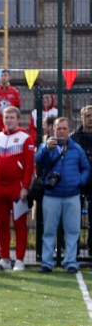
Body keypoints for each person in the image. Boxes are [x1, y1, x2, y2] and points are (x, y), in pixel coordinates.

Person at [0, 106, 35, 271]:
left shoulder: (25, 138)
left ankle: (19, 260)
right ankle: (4, 259)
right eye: (6, 118)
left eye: (12, 117)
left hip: (17, 186)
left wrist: (25, 187)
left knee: (20, 224)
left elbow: (29, 166)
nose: (9, 120)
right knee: (1, 224)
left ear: (18, 119)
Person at [37, 117, 89, 273]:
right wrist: (46, 148)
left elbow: (86, 168)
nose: (61, 131)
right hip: (51, 195)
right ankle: (47, 263)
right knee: (49, 231)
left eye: (64, 128)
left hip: (72, 195)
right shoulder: (46, 146)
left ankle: (71, 262)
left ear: (69, 130)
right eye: (58, 128)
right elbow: (38, 159)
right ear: (53, 130)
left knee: (73, 231)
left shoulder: (76, 148)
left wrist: (80, 181)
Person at [72, 107, 92, 256]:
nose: (90, 119)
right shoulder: (74, 137)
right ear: (81, 117)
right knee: (74, 217)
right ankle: (74, 248)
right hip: (78, 181)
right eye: (88, 116)